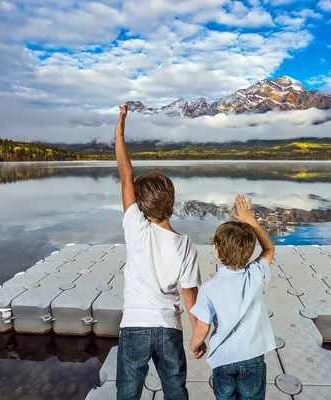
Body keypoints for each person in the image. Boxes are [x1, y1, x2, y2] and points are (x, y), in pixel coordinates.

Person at [114, 104, 206, 400]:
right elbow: (190, 296)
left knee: (127, 393)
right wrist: (197, 336)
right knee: (175, 390)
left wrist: (120, 129)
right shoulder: (185, 245)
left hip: (134, 327)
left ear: (140, 207)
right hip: (169, 328)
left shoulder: (136, 229)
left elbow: (126, 176)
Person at [189, 194, 276, 400]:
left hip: (223, 361)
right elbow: (269, 248)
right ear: (248, 252)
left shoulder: (209, 289)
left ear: (217, 253)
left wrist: (195, 345)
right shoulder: (256, 274)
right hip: (253, 357)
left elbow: (202, 327)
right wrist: (250, 221)